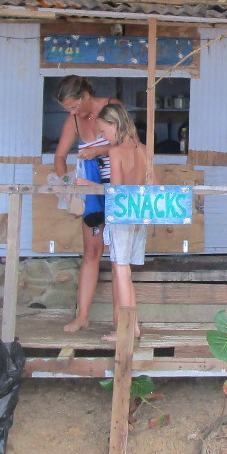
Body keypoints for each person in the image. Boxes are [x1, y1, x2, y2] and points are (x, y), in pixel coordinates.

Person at [51, 75, 122, 333]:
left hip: (118, 189)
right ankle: (82, 317)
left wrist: (98, 151)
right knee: (91, 253)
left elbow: (130, 145)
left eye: (73, 106)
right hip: (91, 194)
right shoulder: (74, 120)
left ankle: (119, 320)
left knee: (119, 257)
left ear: (85, 96)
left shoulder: (111, 106)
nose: (72, 112)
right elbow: (60, 157)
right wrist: (68, 190)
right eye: (67, 109)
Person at [76, 101, 148, 342]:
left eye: (104, 132)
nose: (104, 139)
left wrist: (89, 186)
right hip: (140, 216)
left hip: (122, 216)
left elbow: (116, 193)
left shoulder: (117, 153)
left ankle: (125, 330)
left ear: (114, 125)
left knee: (120, 269)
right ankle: (133, 327)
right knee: (125, 271)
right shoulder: (144, 150)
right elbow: (154, 185)